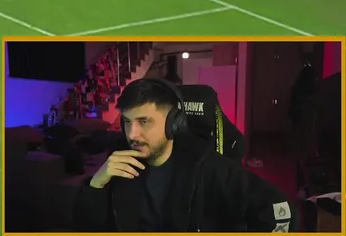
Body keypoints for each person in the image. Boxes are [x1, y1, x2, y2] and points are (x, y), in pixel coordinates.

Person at [73, 79, 295, 232]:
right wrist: (96, 185)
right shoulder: (121, 165)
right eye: (127, 122)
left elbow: (281, 209)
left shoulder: (207, 167)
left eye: (144, 121)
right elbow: (87, 227)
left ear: (174, 123)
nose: (132, 134)